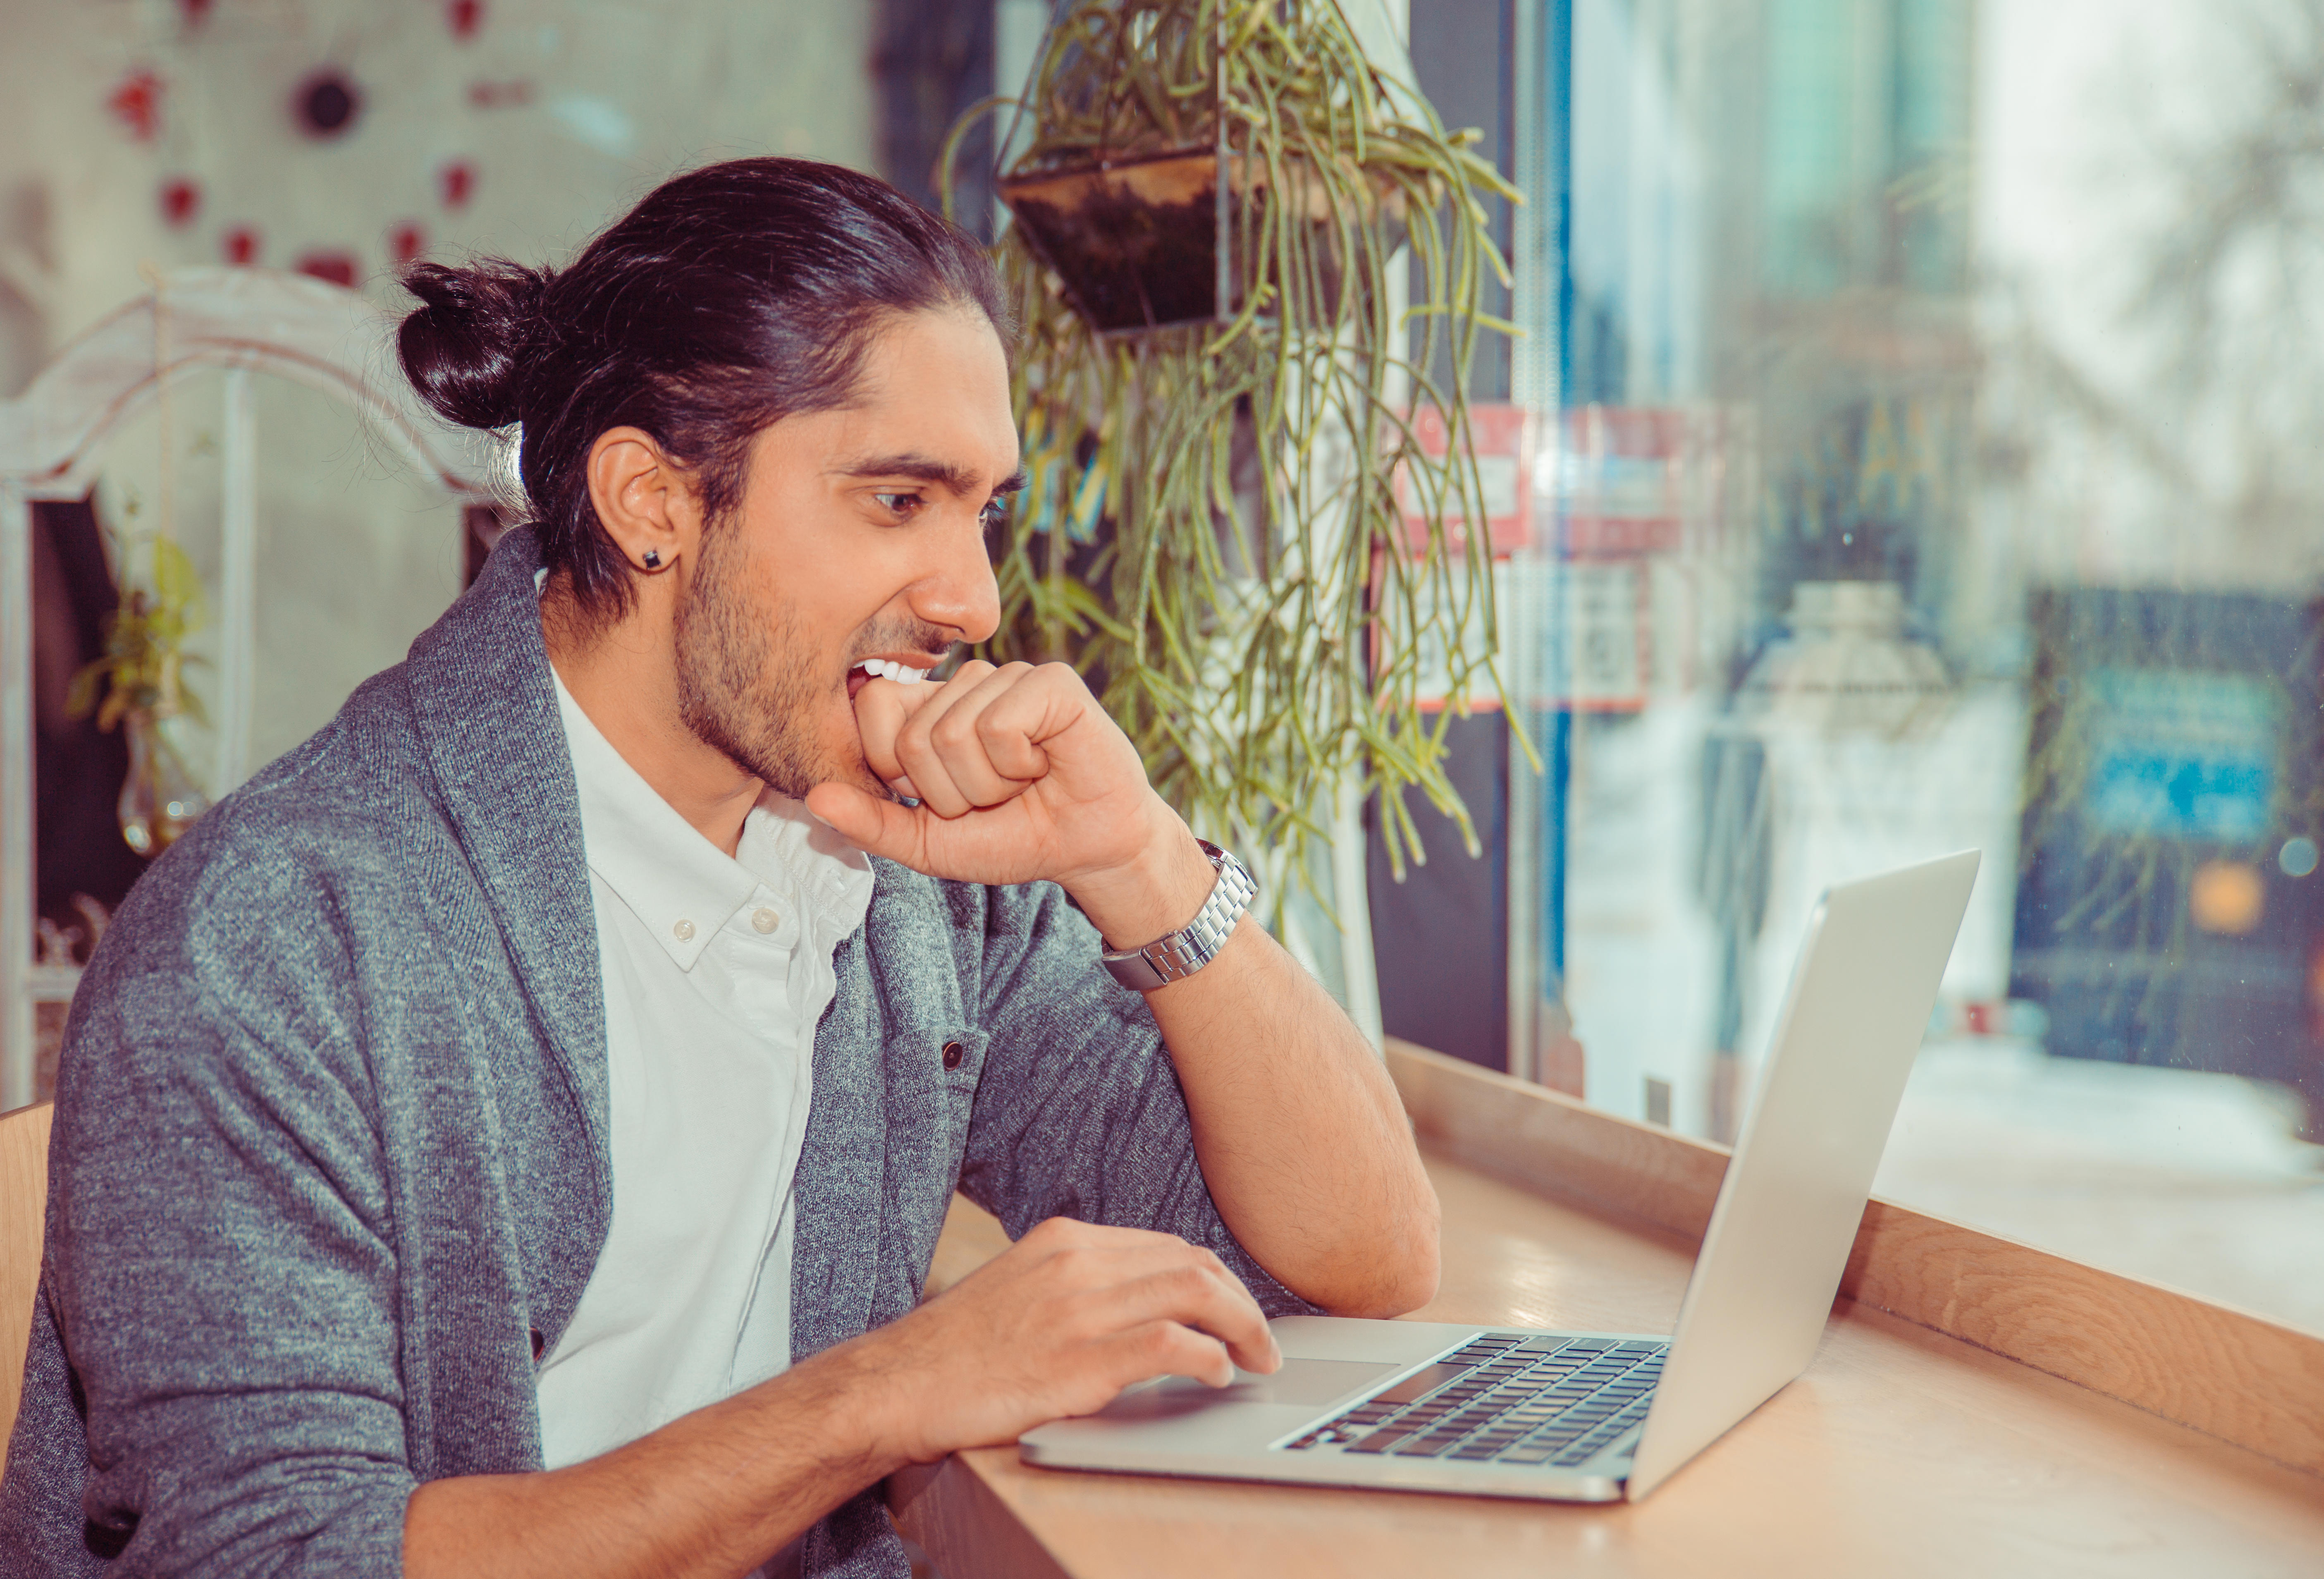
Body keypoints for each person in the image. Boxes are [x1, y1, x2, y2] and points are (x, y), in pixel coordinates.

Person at [0, 158, 1438, 1578]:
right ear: (652, 502)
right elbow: (281, 1559)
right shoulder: (278, 939)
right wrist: (884, 1393)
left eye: (982, 510)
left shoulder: (915, 871)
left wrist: (1141, 861)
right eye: (899, 501)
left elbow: (1347, 1259)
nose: (975, 597)